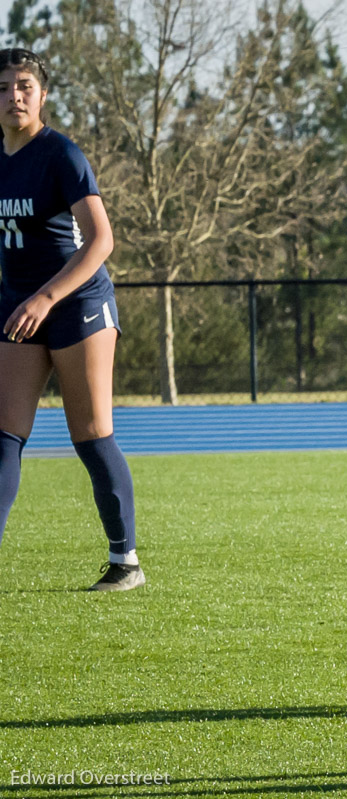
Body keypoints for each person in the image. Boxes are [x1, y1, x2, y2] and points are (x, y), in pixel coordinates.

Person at [0, 48, 142, 591]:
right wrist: (24, 298)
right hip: (17, 303)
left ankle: (126, 561)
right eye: (5, 86)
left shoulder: (61, 155)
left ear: (42, 94)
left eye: (25, 85)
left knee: (89, 432)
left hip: (77, 302)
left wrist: (46, 297)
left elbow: (101, 240)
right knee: (6, 434)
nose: (15, 95)